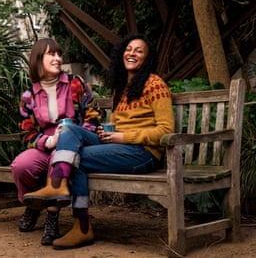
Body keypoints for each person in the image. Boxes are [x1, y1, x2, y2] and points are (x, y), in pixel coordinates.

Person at [23, 33, 175, 249]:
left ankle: (81, 224)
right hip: (119, 147)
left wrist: (123, 136)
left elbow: (166, 131)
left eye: (139, 51)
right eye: (129, 49)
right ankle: (57, 186)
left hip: (143, 153)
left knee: (76, 159)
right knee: (69, 130)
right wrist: (108, 133)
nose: (132, 53)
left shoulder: (155, 84)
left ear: (147, 58)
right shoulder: (123, 87)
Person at [10, 38, 102, 246]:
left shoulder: (74, 83)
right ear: (38, 59)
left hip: (72, 143)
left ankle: (52, 217)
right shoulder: (28, 96)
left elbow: (93, 114)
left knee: (59, 160)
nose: (58, 58)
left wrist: (74, 134)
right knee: (20, 166)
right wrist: (49, 140)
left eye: (59, 54)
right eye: (52, 54)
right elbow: (26, 133)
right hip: (46, 144)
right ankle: (33, 205)